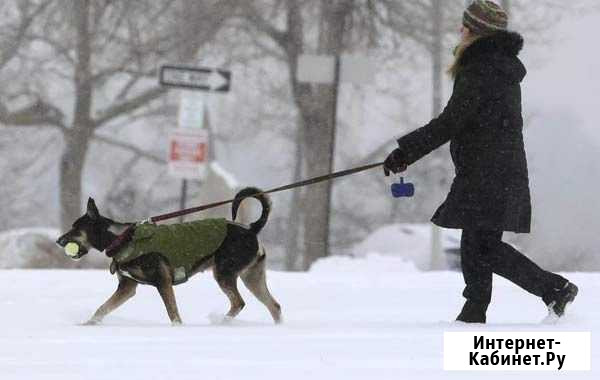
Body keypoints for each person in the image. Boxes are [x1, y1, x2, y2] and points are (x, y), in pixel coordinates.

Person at [383, 0, 577, 323]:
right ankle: (476, 310)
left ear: (476, 32)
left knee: (481, 247)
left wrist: (406, 152)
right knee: (477, 246)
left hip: (488, 173)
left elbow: (450, 122)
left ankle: (551, 289)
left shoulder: (482, 69)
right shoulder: (499, 67)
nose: (460, 31)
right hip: (495, 170)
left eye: (465, 26)